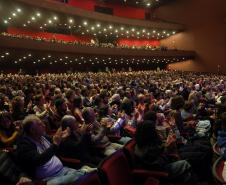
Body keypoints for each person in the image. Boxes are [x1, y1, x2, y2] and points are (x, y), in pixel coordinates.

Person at [16, 115, 89, 185]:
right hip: (49, 178)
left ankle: (81, 173)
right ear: (32, 130)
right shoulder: (24, 145)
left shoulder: (42, 136)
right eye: (40, 124)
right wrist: (55, 144)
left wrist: (61, 138)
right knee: (84, 176)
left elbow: (54, 143)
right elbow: (38, 160)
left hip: (63, 170)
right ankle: (82, 172)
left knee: (85, 178)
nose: (44, 125)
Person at [134, 120, 198, 185]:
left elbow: (159, 152)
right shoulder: (148, 150)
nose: (155, 130)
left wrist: (166, 145)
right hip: (161, 170)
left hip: (160, 165)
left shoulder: (141, 144)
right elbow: (158, 161)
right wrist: (168, 147)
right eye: (154, 129)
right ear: (150, 133)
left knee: (187, 174)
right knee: (186, 164)